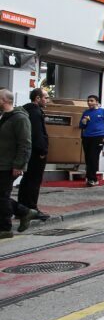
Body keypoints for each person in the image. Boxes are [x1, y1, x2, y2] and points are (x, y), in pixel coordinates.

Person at [0, 89, 34, 238]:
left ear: (4, 100)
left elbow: (25, 143)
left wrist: (19, 165)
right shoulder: (5, 117)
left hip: (9, 165)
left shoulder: (20, 118)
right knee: (2, 196)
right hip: (2, 162)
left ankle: (6, 228)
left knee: (2, 196)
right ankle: (25, 212)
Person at [18, 89, 50, 221]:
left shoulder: (27, 110)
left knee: (26, 180)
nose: (47, 100)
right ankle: (31, 208)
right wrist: (42, 151)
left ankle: (22, 209)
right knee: (33, 181)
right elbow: (37, 134)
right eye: (46, 97)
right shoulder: (36, 113)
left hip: (29, 152)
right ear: (37, 98)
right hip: (36, 153)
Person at [79, 94, 104, 187]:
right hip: (86, 137)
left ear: (97, 102)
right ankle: (91, 177)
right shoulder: (86, 113)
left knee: (93, 157)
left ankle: (91, 178)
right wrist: (83, 122)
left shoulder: (103, 112)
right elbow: (81, 126)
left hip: (98, 137)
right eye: (88, 101)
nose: (89, 102)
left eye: (91, 101)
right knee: (88, 158)